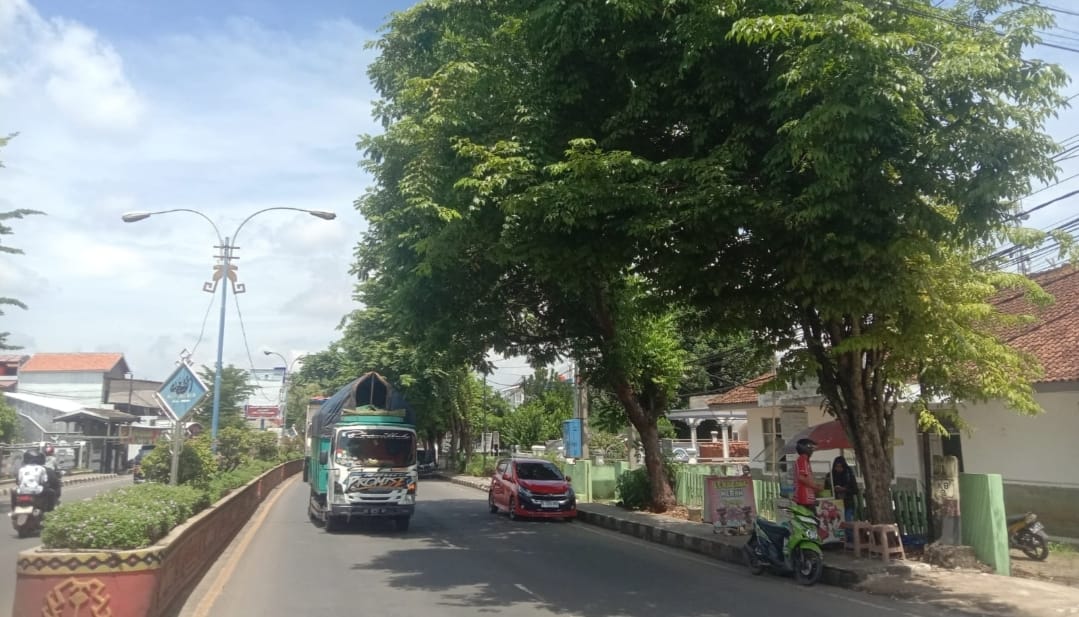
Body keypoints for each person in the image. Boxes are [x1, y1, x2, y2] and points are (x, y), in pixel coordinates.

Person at [825, 455, 859, 541]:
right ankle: (839, 540)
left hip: (847, 502)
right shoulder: (831, 475)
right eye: (836, 466)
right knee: (836, 524)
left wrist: (844, 489)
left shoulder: (849, 474)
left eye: (840, 467)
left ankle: (851, 540)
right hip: (835, 504)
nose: (838, 469)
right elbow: (826, 490)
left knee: (848, 523)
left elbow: (855, 489)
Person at [793, 438, 824, 508]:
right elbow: (801, 477)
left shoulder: (805, 460)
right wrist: (816, 486)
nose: (812, 451)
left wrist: (815, 487)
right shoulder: (802, 459)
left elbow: (806, 478)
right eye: (812, 449)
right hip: (804, 497)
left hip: (807, 498)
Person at [42, 442, 62, 508]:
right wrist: (60, 473)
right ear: (52, 451)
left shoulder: (42, 459)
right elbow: (58, 468)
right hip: (51, 474)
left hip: (43, 474)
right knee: (58, 484)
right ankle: (55, 498)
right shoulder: (54, 459)